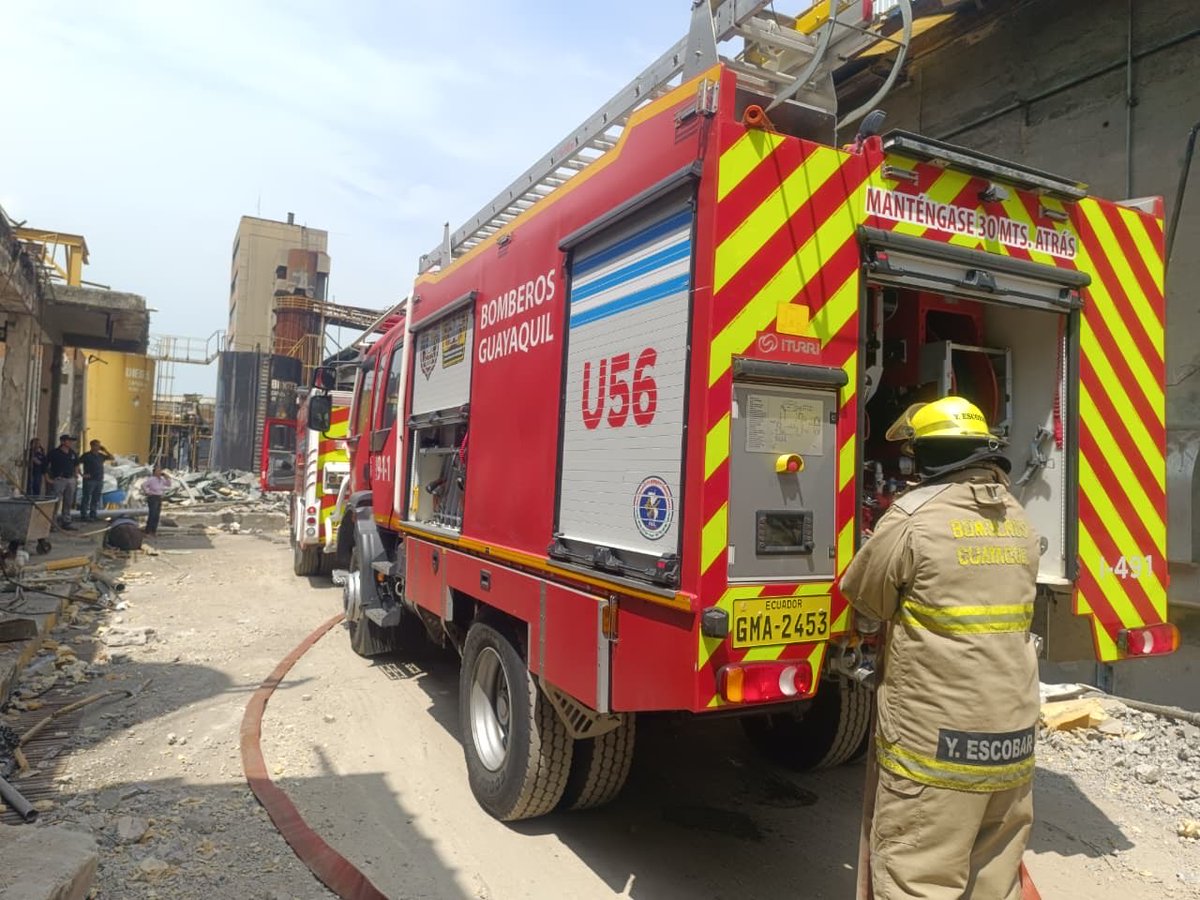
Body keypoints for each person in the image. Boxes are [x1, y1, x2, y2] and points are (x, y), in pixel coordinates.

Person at [840, 396, 1040, 900]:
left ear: (926, 456)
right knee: (994, 880)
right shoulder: (1018, 518)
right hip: (1012, 742)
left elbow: (866, 600)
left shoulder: (912, 518)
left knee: (917, 878)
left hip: (938, 746)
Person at [45, 434, 80, 530]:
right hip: (59, 479)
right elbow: (45, 465)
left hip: (70, 479)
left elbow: (76, 464)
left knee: (68, 502)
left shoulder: (72, 453)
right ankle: (52, 523)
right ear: (63, 442)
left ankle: (66, 521)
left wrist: (76, 474)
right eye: (69, 441)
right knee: (56, 501)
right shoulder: (54, 453)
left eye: (71, 441)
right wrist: (47, 478)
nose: (71, 443)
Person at [79, 439, 115, 522]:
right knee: (86, 497)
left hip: (99, 479)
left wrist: (105, 450)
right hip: (89, 480)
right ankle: (83, 515)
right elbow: (77, 463)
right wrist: (81, 474)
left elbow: (112, 458)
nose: (98, 447)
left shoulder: (101, 456)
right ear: (92, 446)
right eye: (97, 445)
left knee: (96, 498)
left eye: (99, 445)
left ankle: (93, 514)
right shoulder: (86, 455)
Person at [142, 465, 170, 536]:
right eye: (158, 471)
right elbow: (143, 485)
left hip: (159, 497)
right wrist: (148, 492)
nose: (159, 472)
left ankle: (153, 531)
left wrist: (167, 478)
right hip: (153, 497)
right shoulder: (151, 479)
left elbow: (168, 484)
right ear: (154, 472)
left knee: (157, 515)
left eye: (160, 470)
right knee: (152, 514)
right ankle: (148, 531)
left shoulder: (162, 479)